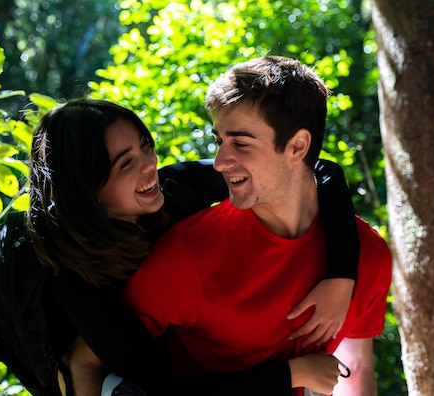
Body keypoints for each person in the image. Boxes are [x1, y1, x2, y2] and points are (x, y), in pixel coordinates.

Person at [25, 98, 360, 395]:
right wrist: (293, 373)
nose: (149, 165)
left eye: (146, 146)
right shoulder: (76, 281)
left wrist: (342, 275)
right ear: (86, 190)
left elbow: (314, 171)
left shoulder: (174, 187)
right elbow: (164, 388)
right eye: (126, 163)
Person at [122, 56, 392, 396]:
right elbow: (97, 366)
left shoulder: (369, 257)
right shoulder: (186, 256)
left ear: (297, 146)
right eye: (219, 140)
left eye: (241, 143)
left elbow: (357, 368)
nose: (219, 162)